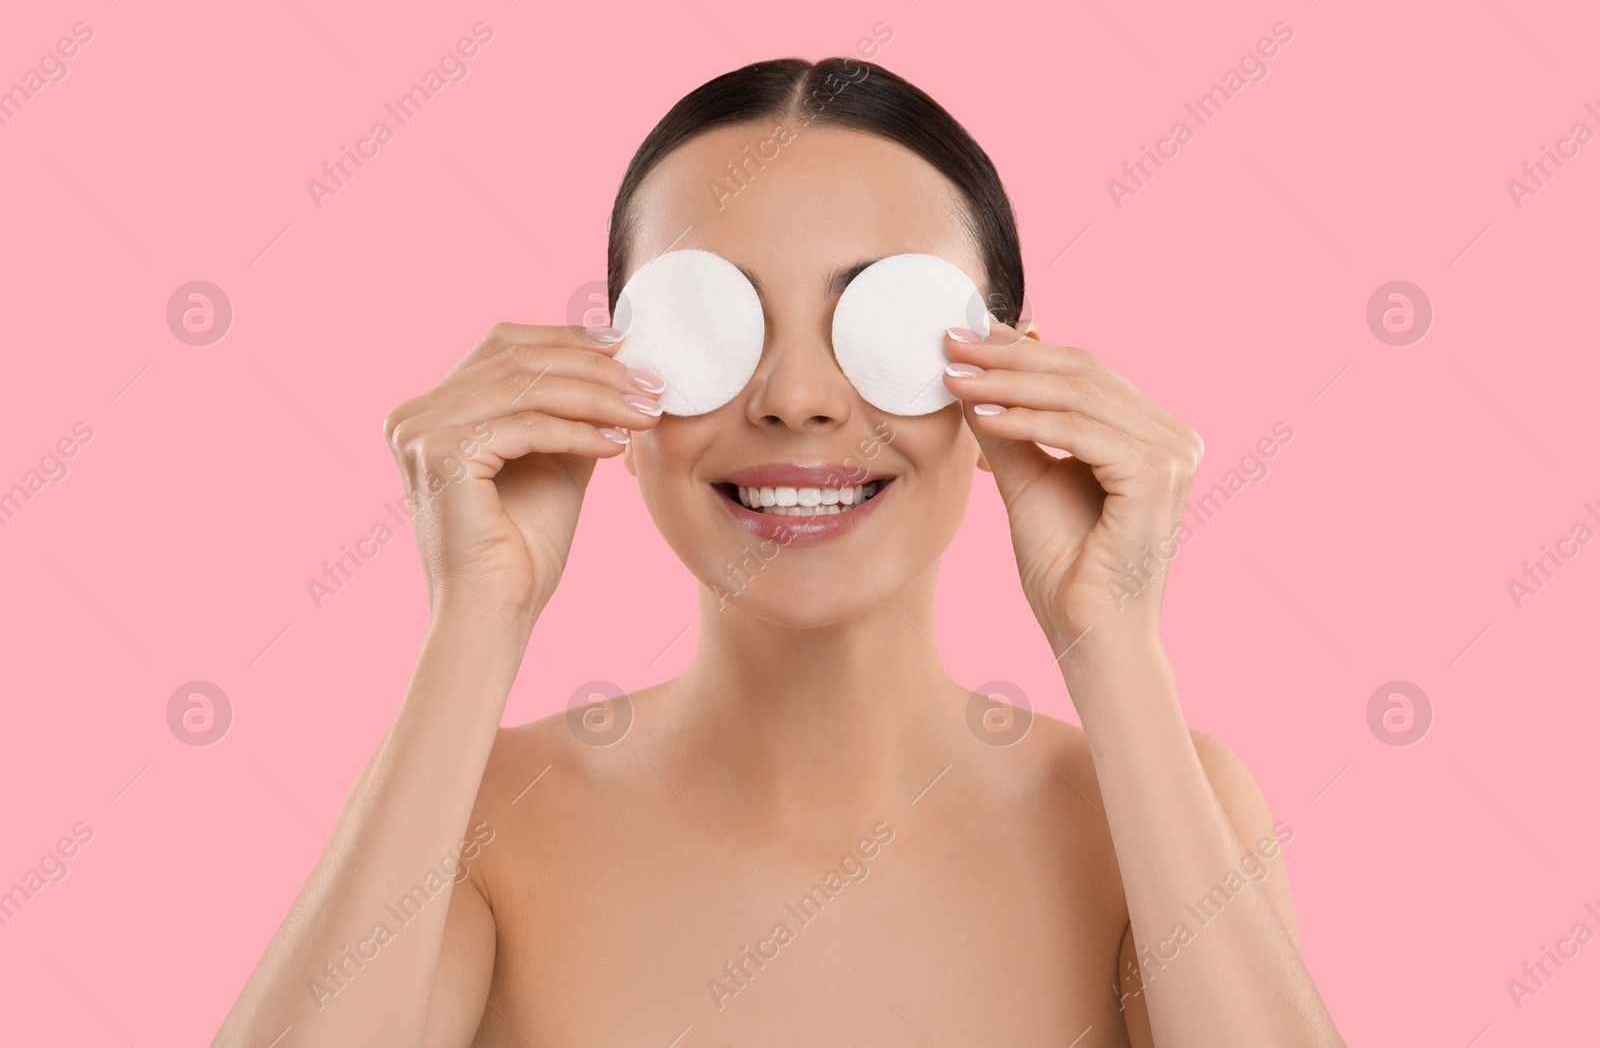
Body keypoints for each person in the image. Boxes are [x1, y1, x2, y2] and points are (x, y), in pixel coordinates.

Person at [214, 56, 1344, 1046]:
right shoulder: (471, 821)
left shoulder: (1160, 810)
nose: (796, 398)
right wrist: (474, 620)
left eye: (881, 323)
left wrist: (1114, 643)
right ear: (607, 371)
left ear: (1008, 384)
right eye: (711, 321)